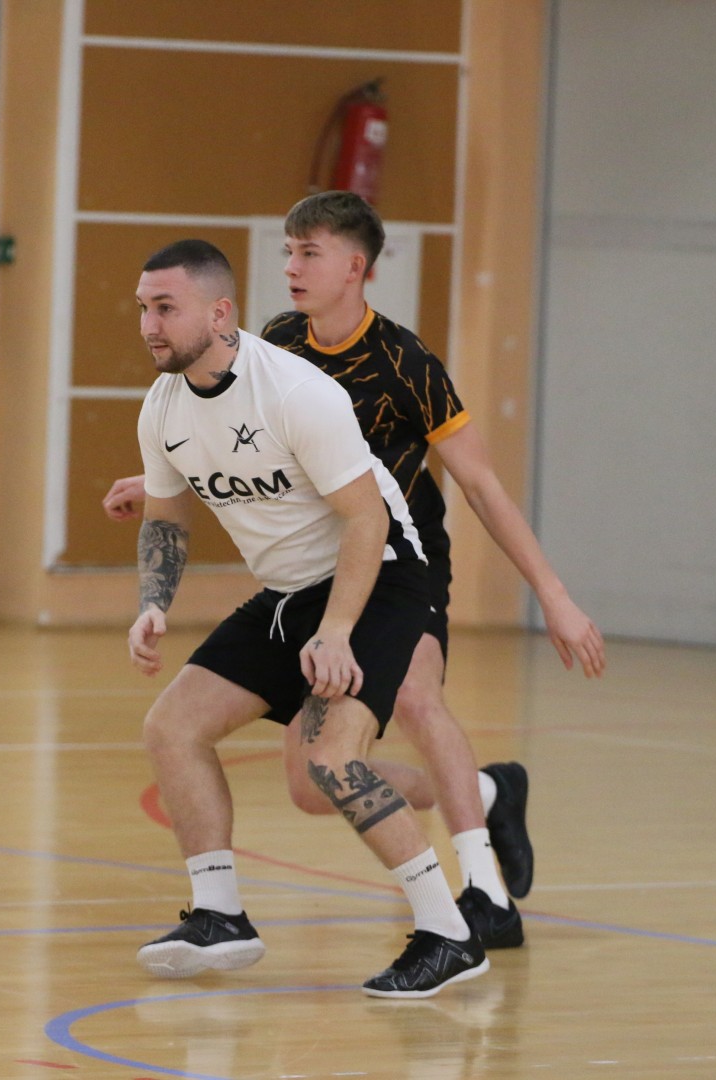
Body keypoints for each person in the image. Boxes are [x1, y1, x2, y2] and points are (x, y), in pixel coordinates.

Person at [105, 191, 606, 949]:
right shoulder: (274, 343)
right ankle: (484, 791)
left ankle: (482, 895)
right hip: (316, 568)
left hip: (400, 555)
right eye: (287, 251)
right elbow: (251, 448)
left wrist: (554, 595)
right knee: (313, 785)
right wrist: (161, 484)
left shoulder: (405, 363)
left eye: (309, 252)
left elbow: (479, 484)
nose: (291, 266)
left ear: (355, 267)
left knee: (414, 698)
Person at [128, 238, 487, 1000]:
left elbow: (366, 519)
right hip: (289, 592)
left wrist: (336, 632)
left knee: (330, 756)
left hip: (381, 578)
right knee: (173, 726)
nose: (150, 325)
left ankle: (449, 932)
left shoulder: (295, 392)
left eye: (165, 308)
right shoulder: (161, 408)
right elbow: (165, 516)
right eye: (143, 309)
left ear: (219, 313)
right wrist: (153, 605)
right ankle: (220, 915)